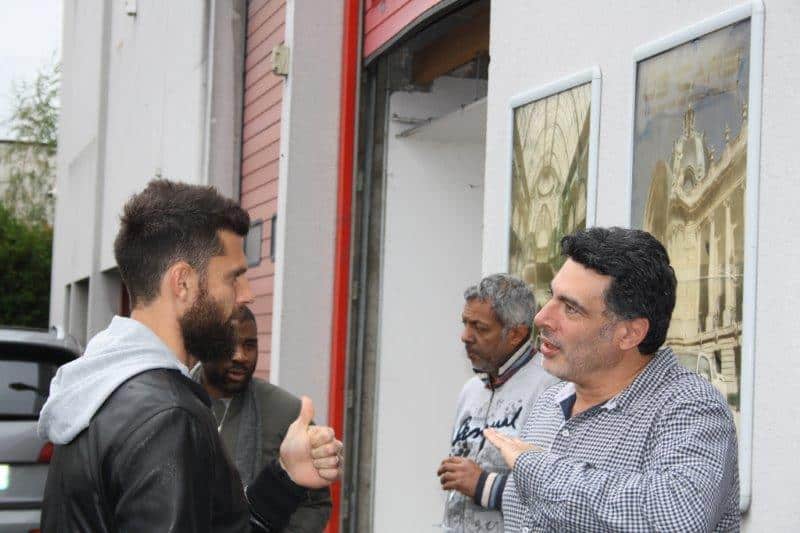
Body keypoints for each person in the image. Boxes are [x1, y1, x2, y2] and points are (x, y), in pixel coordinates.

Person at [38, 179, 343, 532]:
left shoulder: (97, 388)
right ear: (182, 283)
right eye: (233, 278)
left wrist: (285, 478)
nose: (246, 295)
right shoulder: (168, 417)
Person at [484, 227, 739, 532]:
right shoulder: (549, 402)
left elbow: (677, 517)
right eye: (552, 296)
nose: (541, 318)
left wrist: (535, 468)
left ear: (629, 334)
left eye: (571, 308)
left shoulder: (690, 408)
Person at [191, 305, 332, 532]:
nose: (240, 356)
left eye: (249, 345)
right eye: (228, 344)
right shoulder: (174, 404)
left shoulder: (287, 413)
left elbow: (315, 504)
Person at [436, 274, 559, 531]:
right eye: (465, 324)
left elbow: (553, 490)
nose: (465, 336)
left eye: (480, 328)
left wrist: (483, 485)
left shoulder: (550, 389)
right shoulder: (471, 390)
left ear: (516, 334)